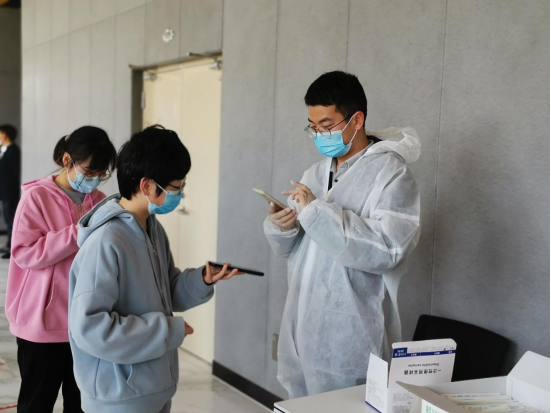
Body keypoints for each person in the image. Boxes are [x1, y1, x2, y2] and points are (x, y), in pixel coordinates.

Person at [264, 71, 422, 399]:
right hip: (305, 317)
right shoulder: (315, 173)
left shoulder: (391, 175)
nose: (319, 135)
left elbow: (388, 250)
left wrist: (317, 213)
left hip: (352, 328)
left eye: (326, 125)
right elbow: (297, 249)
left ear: (356, 119)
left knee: (346, 403)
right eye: (313, 127)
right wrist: (284, 227)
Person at [68, 125, 243, 413]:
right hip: (118, 397)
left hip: (154, 386)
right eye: (176, 187)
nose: (180, 194)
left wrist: (201, 280)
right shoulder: (106, 241)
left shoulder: (151, 227)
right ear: (148, 185)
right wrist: (166, 330)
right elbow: (90, 328)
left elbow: (165, 292)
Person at [4, 126, 117, 412]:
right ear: (68, 160)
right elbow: (24, 253)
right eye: (90, 171)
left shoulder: (100, 202)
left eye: (101, 173)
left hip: (86, 323)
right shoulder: (36, 197)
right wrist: (76, 233)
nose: (94, 179)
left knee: (82, 404)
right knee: (36, 403)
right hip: (41, 325)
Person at [0, 124, 21, 259]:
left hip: (10, 192)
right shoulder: (4, 149)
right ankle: (9, 244)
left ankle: (12, 247)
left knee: (11, 219)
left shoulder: (14, 151)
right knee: (8, 218)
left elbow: (17, 173)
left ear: (6, 135)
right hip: (3, 191)